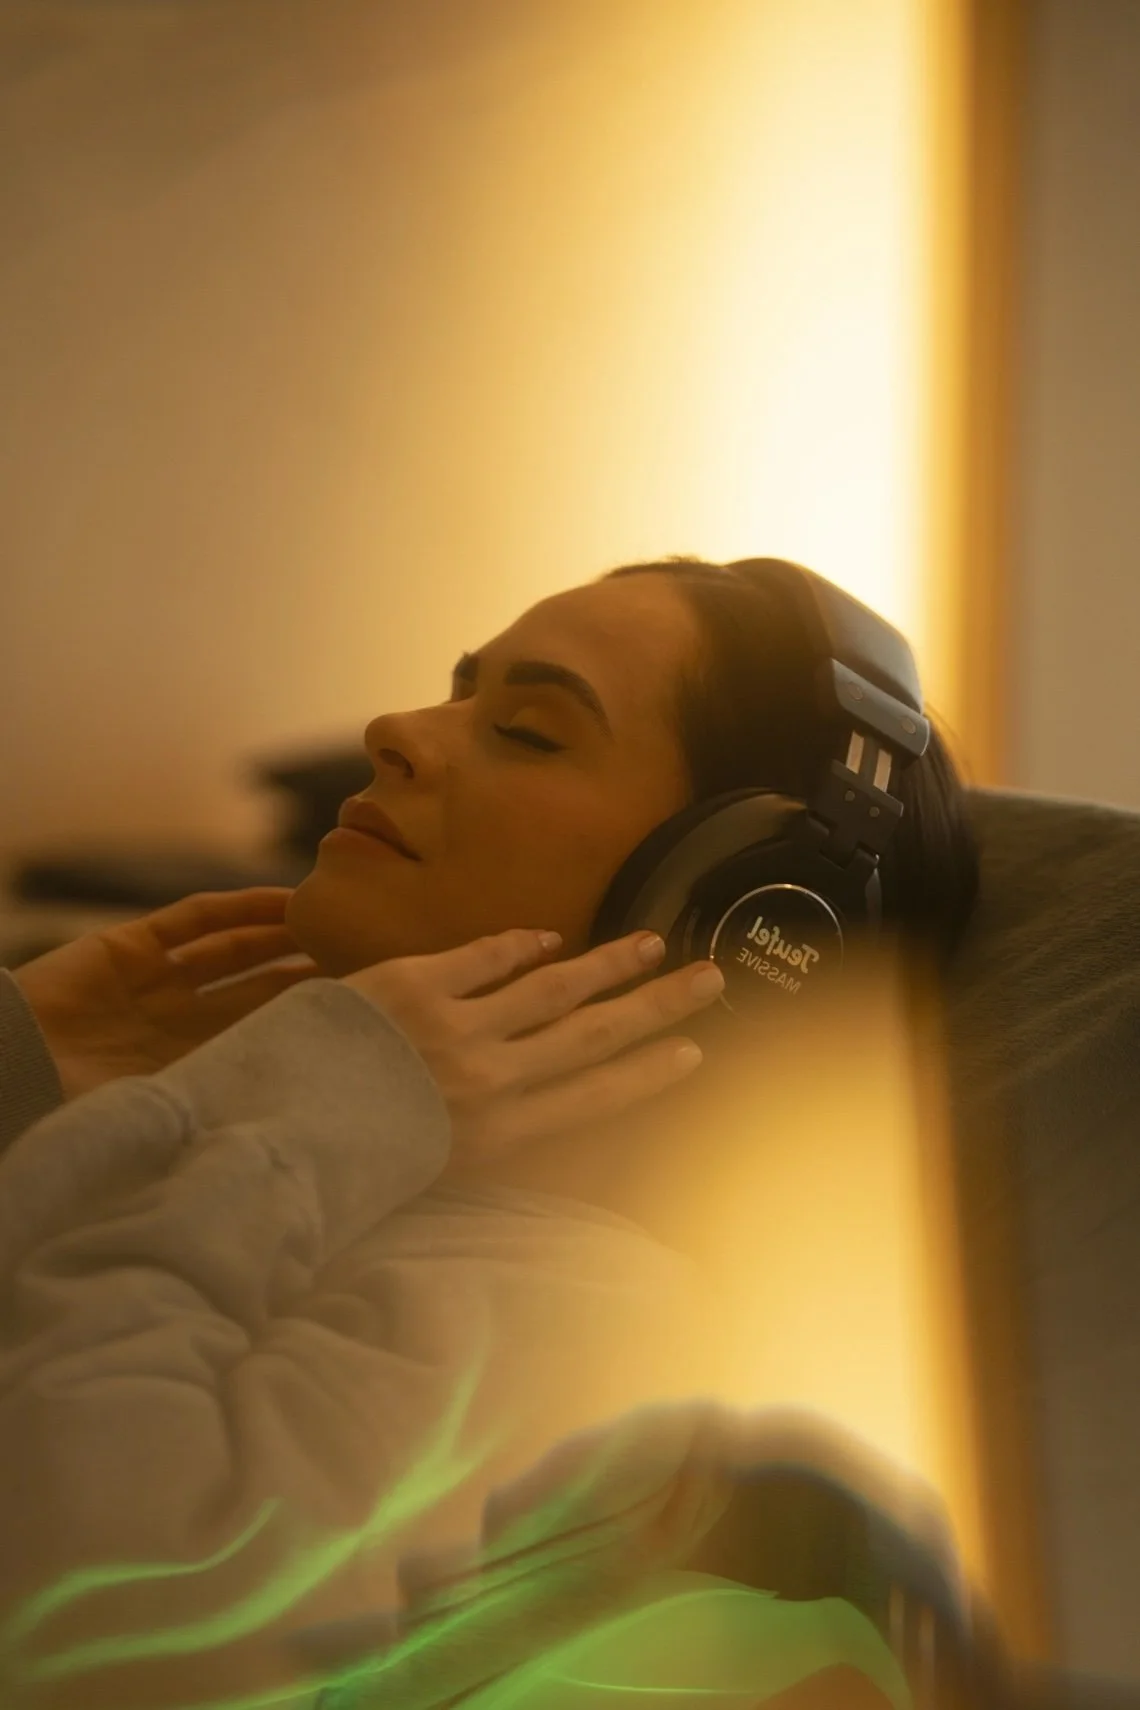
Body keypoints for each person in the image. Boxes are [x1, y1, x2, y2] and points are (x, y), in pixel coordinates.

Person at [0, 557, 977, 1710]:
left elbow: (90, 1623)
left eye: (527, 729)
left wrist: (310, 1109)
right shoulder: (289, 1155)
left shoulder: (589, 1315)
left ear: (742, 920)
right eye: (458, 693)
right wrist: (25, 1061)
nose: (395, 729)